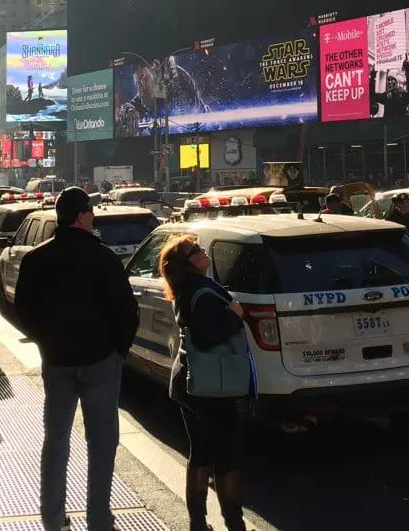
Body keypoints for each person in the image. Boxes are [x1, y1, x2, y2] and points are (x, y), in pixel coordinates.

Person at [14, 187, 139, 531]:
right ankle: (99, 519)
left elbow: (24, 310)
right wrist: (117, 351)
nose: (94, 216)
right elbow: (128, 311)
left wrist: (46, 342)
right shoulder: (104, 258)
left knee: (55, 441)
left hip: (56, 361)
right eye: (91, 211)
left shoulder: (37, 259)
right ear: (82, 216)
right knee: (101, 442)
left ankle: (52, 520)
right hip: (101, 360)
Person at [159, 235, 253, 531]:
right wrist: (235, 316)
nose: (202, 251)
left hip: (189, 381)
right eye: (196, 250)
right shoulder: (203, 290)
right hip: (214, 386)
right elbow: (211, 335)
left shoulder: (185, 289)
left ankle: (197, 522)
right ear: (188, 263)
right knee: (226, 455)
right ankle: (235, 524)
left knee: (199, 451)